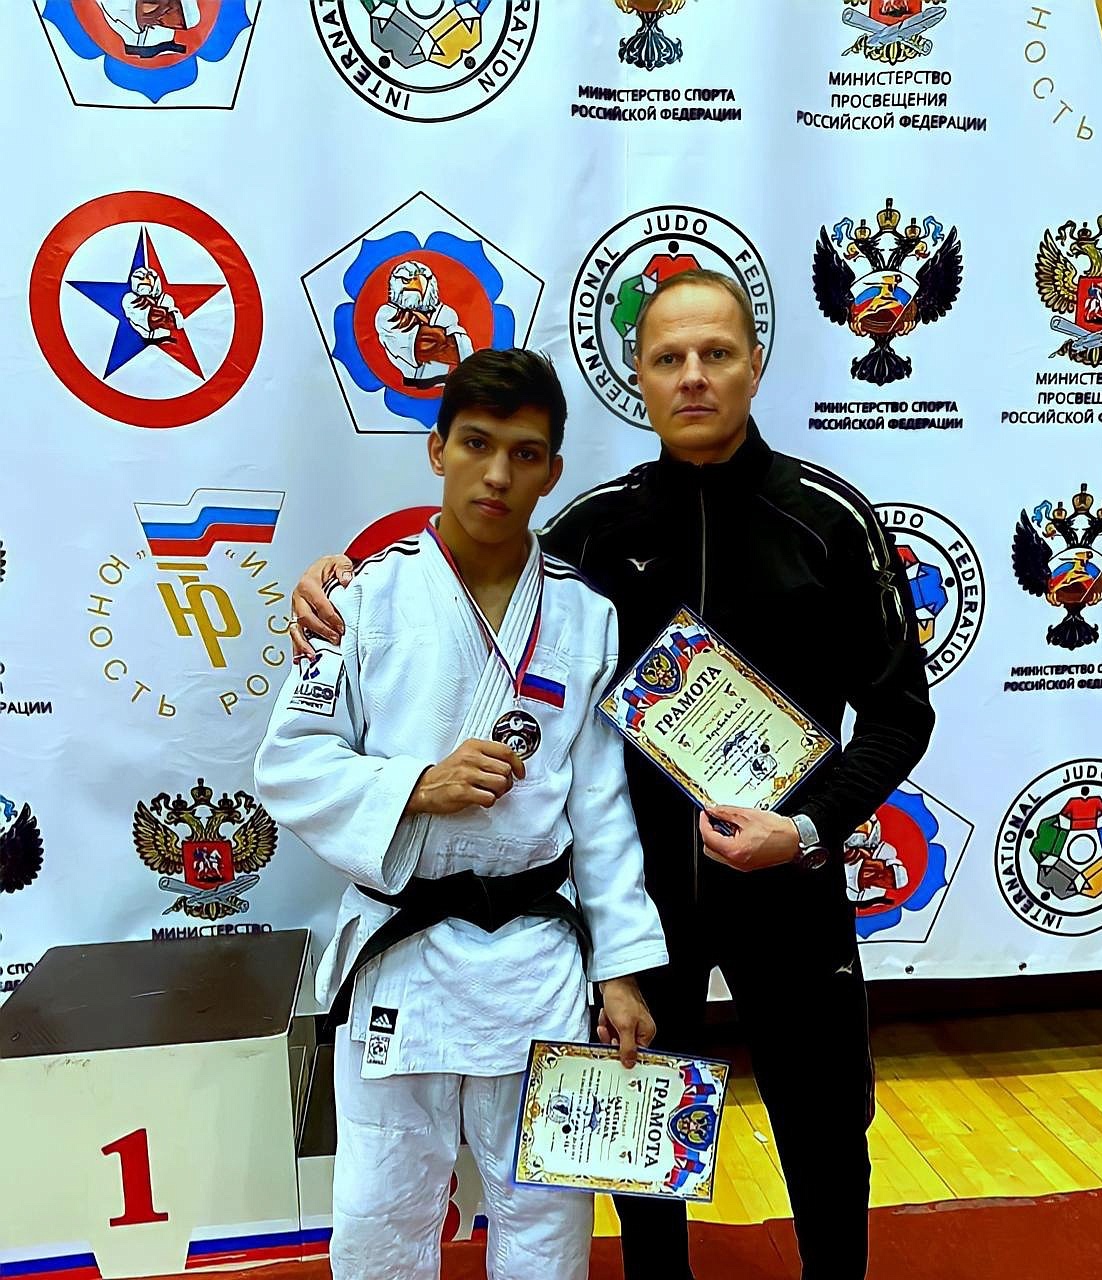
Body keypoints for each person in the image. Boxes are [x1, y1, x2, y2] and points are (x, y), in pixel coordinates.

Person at [288, 271, 937, 1280]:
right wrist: (338, 582)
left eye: (716, 353)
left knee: (822, 1130)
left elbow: (900, 716)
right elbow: (477, 578)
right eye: (668, 357)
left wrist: (807, 828)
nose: (693, 376)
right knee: (632, 1149)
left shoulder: (829, 520)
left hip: (788, 886)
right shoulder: (593, 531)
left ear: (755, 364)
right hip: (642, 898)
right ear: (636, 375)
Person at [256, 348, 668, 1280]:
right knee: (382, 1204)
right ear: (436, 449)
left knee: (546, 1207)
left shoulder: (586, 616)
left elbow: (601, 811)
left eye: (524, 454)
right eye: (476, 444)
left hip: (536, 955)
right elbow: (289, 760)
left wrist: (621, 970)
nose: (497, 474)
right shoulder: (359, 599)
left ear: (552, 471)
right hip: (403, 949)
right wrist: (414, 785)